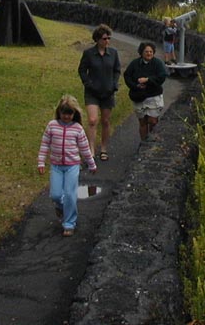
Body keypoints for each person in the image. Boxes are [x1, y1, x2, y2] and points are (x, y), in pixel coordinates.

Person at [37, 94, 96, 237]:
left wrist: (91, 164)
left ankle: (69, 223)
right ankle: (61, 207)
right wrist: (41, 161)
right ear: (59, 112)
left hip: (72, 166)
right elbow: (45, 144)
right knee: (56, 194)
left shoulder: (77, 129)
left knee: (70, 194)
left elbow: (84, 148)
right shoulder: (52, 126)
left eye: (70, 114)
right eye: (64, 113)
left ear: (74, 114)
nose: (66, 117)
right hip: (56, 166)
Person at [78, 24, 121, 161]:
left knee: (106, 121)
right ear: (97, 39)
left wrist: (114, 84)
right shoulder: (89, 53)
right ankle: (91, 148)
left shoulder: (113, 53)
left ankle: (103, 148)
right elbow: (82, 70)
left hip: (108, 92)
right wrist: (88, 83)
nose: (107, 41)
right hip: (92, 92)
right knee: (92, 120)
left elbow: (117, 70)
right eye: (104, 38)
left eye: (109, 38)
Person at [123, 41, 168, 141]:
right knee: (142, 122)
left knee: (153, 121)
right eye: (146, 51)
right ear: (141, 52)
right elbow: (127, 76)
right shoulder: (135, 64)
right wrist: (135, 86)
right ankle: (143, 143)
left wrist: (148, 80)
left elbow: (162, 76)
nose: (149, 54)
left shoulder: (157, 63)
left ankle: (152, 141)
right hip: (139, 96)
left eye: (151, 52)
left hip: (153, 96)